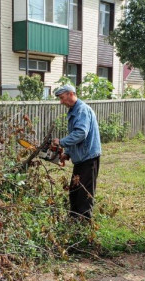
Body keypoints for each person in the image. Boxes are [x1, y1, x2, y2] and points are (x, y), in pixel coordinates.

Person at [52, 84, 102, 219]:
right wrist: (67, 153)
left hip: (88, 159)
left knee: (84, 195)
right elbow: (74, 135)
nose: (61, 102)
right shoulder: (75, 110)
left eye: (62, 98)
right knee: (74, 192)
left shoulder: (82, 110)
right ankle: (74, 221)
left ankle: (84, 225)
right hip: (81, 159)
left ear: (70, 94)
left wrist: (61, 142)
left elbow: (80, 133)